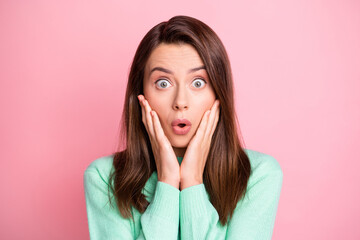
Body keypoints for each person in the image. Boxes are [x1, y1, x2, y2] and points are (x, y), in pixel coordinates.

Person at [83, 15, 283, 240]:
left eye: (198, 83)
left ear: (219, 92)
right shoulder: (104, 178)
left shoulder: (257, 175)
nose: (180, 101)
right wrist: (167, 181)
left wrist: (192, 183)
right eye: (163, 83)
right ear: (141, 95)